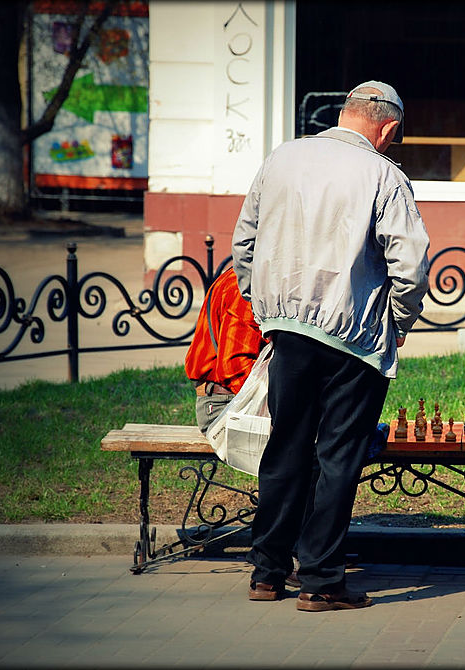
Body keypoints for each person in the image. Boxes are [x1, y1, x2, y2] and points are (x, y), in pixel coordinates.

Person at [231, 80, 430, 611]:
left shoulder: (283, 157)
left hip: (288, 331)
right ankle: (320, 581)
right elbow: (409, 267)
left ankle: (267, 574)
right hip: (354, 339)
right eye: (397, 135)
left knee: (286, 448)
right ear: (387, 127)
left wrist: (263, 308)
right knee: (338, 456)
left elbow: (243, 244)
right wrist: (399, 325)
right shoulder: (385, 175)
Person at [184, 268, 265, 435]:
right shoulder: (246, 287)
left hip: (235, 400)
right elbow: (235, 367)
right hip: (226, 407)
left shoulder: (247, 276)